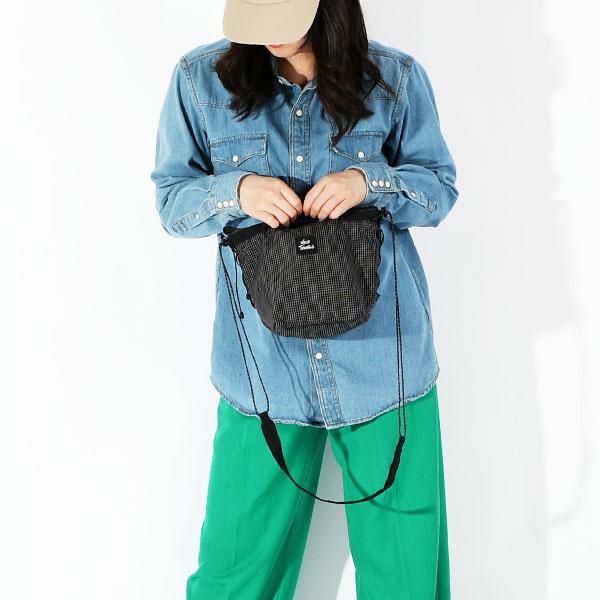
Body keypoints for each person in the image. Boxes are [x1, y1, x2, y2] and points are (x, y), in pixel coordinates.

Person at [150, 0, 459, 597]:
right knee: (232, 576)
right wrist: (236, 190)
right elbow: (171, 203)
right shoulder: (199, 81)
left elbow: (439, 191)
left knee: (406, 578)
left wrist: (369, 182)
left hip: (384, 365)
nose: (268, 36)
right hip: (261, 375)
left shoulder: (395, 80)